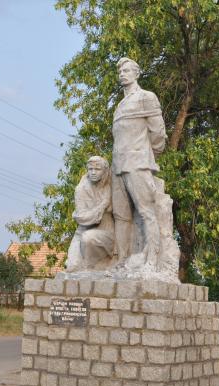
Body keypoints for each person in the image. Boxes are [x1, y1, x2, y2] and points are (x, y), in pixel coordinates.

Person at [111, 57, 167, 270]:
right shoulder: (120, 104)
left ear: (136, 73)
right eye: (120, 71)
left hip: (137, 162)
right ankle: (122, 259)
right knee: (121, 216)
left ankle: (152, 260)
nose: (122, 74)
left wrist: (146, 154)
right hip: (118, 165)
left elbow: (158, 133)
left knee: (146, 212)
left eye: (126, 70)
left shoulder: (146, 97)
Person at [66, 156, 115, 271]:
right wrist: (103, 206)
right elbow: (82, 218)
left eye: (97, 169)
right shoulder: (81, 189)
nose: (93, 172)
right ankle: (91, 266)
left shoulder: (113, 185)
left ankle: (95, 265)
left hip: (108, 231)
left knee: (88, 238)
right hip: (83, 232)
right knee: (72, 267)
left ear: (105, 171)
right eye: (90, 169)